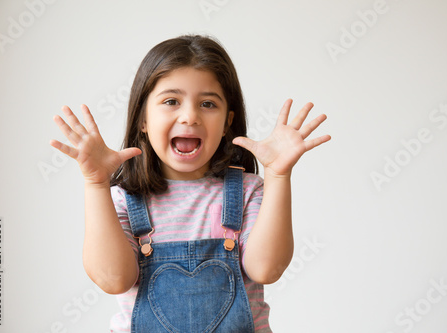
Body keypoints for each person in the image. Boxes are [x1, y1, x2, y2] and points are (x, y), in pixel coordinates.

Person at [49, 34, 331, 332]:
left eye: (208, 103)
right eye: (171, 101)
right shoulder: (123, 199)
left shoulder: (249, 190)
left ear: (226, 122)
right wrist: (96, 185)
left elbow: (266, 268)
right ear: (142, 119)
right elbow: (113, 279)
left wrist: (277, 176)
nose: (190, 116)